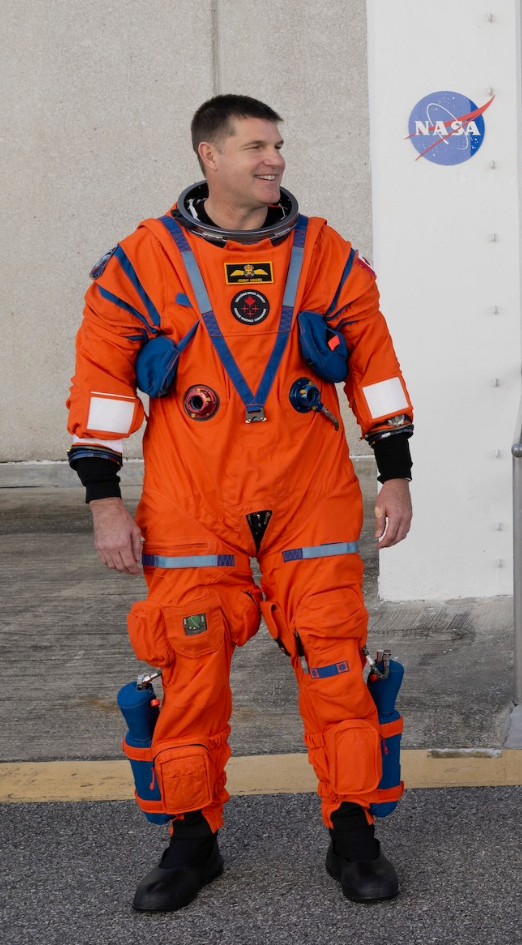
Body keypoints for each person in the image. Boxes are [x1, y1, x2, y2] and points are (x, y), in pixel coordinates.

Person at [68, 95, 416, 910]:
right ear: (208, 155)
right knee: (187, 677)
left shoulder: (325, 252)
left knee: (336, 669)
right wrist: (103, 501)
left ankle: (355, 837)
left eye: (279, 146)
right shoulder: (142, 260)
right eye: (256, 146)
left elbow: (375, 363)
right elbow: (100, 383)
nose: (275, 160)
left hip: (310, 494)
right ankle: (191, 844)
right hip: (194, 502)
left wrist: (393, 469)